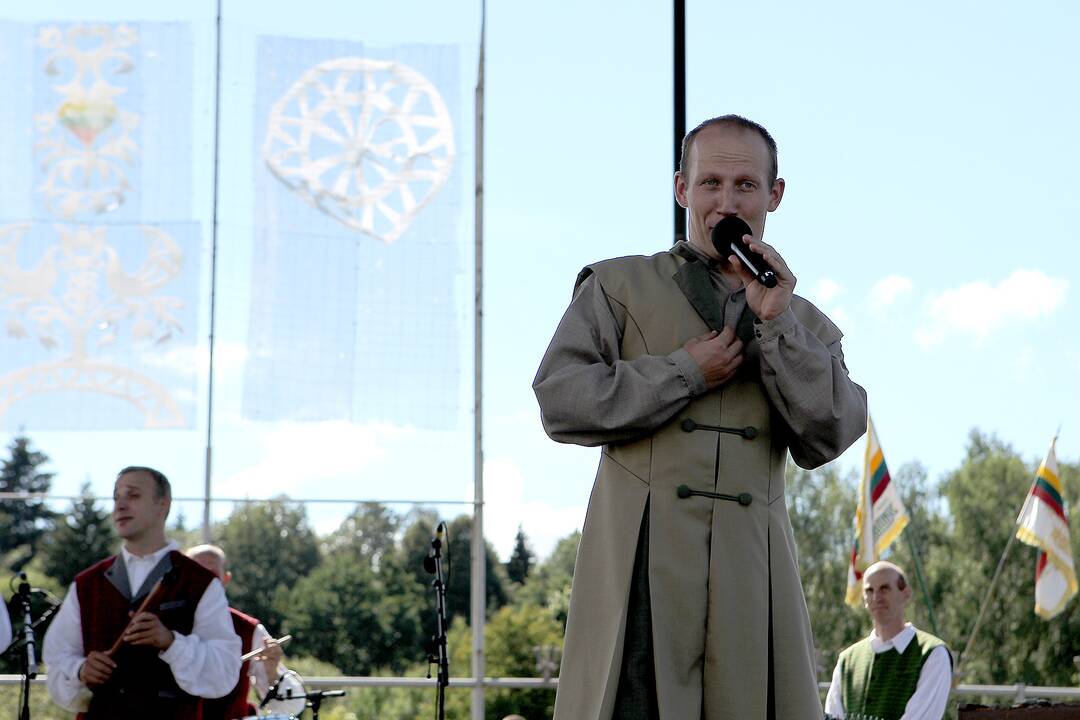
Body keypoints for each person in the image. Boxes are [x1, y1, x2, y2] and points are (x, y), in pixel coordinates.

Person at [533, 114, 867, 719]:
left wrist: (776, 322)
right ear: (682, 189)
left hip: (752, 577)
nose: (726, 201)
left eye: (744, 185)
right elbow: (561, 398)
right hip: (641, 572)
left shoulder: (802, 320)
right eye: (710, 183)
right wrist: (685, 372)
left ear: (774, 195)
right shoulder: (617, 286)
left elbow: (834, 431)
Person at [43, 466, 241, 719]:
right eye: (116, 497)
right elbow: (57, 657)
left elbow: (224, 670)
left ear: (162, 505)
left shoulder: (201, 583)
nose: (120, 505)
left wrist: (171, 642)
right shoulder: (86, 583)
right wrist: (81, 669)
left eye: (133, 496)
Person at [186, 543, 305, 719]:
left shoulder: (248, 629)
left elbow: (291, 706)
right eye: (196, 573)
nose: (204, 582)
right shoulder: (161, 623)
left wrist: (271, 670)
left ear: (225, 579)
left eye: (211, 575)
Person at [825, 561, 952, 720]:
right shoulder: (847, 659)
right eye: (869, 590)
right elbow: (832, 715)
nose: (876, 597)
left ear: (905, 593)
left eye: (885, 589)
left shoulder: (933, 653)